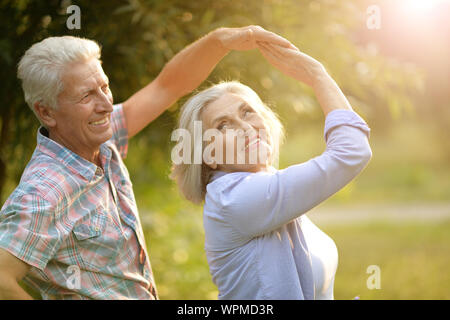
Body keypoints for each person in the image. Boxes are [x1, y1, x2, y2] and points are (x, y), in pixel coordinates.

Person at [0, 26, 293, 299]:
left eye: (104, 87)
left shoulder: (98, 135)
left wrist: (219, 40)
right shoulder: (43, 191)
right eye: (87, 95)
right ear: (47, 113)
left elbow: (167, 87)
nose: (104, 104)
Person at [170, 39, 372, 299]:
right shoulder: (233, 199)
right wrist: (317, 75)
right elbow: (351, 152)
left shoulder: (268, 183)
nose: (245, 127)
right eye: (223, 125)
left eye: (247, 112)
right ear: (208, 157)